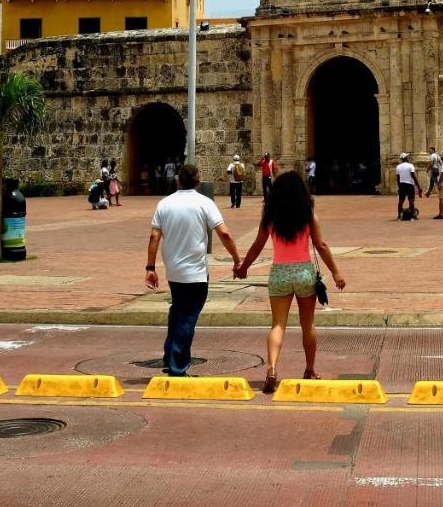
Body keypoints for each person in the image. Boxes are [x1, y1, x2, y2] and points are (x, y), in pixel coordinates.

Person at [234, 171, 345, 393]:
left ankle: (272, 368)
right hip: (304, 272)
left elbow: (257, 245)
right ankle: (310, 369)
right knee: (308, 325)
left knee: (277, 324)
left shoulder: (270, 218)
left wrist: (244, 267)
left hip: (279, 273)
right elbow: (321, 245)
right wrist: (335, 272)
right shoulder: (308, 215)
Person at [145, 164, 242, 377]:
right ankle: (178, 366)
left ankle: (169, 355)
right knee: (188, 317)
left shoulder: (164, 204)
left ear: (178, 180)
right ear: (198, 183)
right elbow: (224, 233)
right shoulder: (204, 203)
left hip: (173, 271)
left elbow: (154, 236)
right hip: (196, 272)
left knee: (178, 311)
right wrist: (236, 259)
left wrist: (150, 267)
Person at [395, 153, 421, 220]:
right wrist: (419, 187)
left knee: (401, 201)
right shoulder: (410, 166)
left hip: (402, 185)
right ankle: (412, 216)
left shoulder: (398, 167)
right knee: (411, 201)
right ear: (406, 158)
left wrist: (399, 187)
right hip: (409, 185)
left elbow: (398, 178)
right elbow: (413, 176)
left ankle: (399, 216)